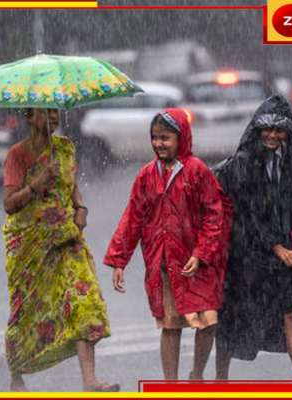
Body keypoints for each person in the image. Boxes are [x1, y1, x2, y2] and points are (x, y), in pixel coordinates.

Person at [103, 108, 229, 380]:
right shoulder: (146, 176)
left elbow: (214, 216)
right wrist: (118, 260)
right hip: (165, 263)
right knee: (170, 325)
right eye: (155, 137)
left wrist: (202, 252)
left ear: (181, 138)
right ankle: (170, 385)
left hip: (197, 264)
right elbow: (132, 218)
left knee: (207, 322)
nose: (159, 144)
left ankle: (197, 373)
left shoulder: (197, 172)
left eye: (166, 138)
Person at [2, 108, 118, 392]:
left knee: (84, 301)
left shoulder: (65, 148)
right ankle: (17, 373)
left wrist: (81, 207)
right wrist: (36, 185)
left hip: (67, 237)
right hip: (31, 244)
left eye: (55, 112)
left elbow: (71, 186)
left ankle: (90, 380)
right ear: (29, 118)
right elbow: (9, 204)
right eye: (45, 113)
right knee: (28, 311)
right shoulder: (18, 155)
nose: (53, 118)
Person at [214, 95, 292, 380]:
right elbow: (249, 212)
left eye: (278, 129)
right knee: (232, 316)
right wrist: (277, 247)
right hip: (247, 254)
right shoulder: (244, 163)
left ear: (288, 132)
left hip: (284, 253)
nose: (272, 135)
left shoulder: (289, 160)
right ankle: (220, 379)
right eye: (266, 129)